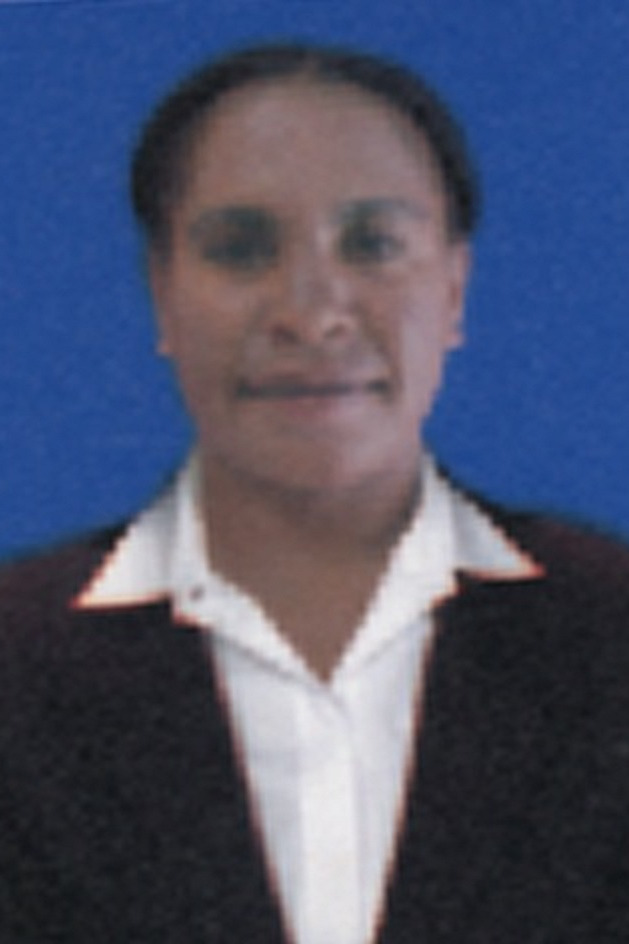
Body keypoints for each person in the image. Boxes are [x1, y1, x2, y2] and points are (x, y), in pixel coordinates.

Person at [1, 41, 629, 944]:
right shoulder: (16, 664)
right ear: (161, 293)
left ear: (454, 290)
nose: (311, 311)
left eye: (373, 245)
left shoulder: (608, 638)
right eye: (239, 248)